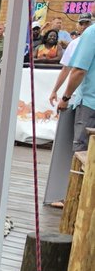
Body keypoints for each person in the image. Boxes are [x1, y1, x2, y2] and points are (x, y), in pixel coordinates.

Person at [55, 14, 95, 167]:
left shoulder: (91, 33)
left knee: (83, 156)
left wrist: (65, 97)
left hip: (90, 103)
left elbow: (79, 70)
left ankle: (79, 191)